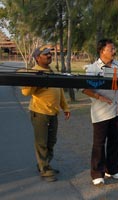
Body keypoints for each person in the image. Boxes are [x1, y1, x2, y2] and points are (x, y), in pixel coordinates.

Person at [21, 45, 70, 182]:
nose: (49, 55)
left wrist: (65, 107)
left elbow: (59, 90)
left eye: (49, 53)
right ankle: (44, 169)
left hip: (53, 112)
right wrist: (37, 83)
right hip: (40, 112)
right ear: (37, 58)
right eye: (45, 54)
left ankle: (45, 164)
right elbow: (25, 92)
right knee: (41, 142)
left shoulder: (52, 71)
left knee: (51, 141)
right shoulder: (34, 72)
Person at [82, 39, 118, 186]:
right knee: (99, 143)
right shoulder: (93, 68)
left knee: (114, 141)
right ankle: (97, 173)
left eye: (114, 48)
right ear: (102, 51)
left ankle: (112, 169)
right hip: (100, 112)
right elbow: (84, 88)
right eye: (111, 49)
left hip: (116, 110)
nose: (114, 51)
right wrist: (100, 96)